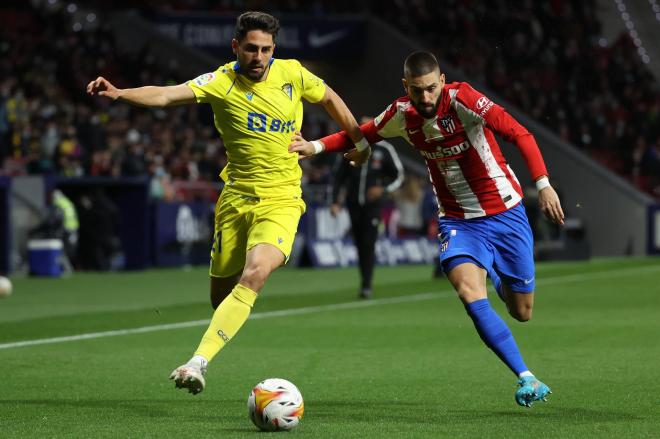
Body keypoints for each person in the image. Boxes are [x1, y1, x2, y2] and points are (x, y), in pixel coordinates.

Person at [87, 11, 370, 395]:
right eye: (251, 48)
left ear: (274, 49)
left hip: (282, 198)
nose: (259, 57)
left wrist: (358, 142)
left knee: (256, 272)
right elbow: (168, 94)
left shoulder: (293, 73)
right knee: (220, 296)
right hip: (235, 200)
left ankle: (196, 362)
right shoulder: (221, 81)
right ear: (236, 46)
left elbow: (331, 98)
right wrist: (121, 93)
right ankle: (218, 334)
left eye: (266, 49)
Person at [289, 51, 564, 408]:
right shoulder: (402, 114)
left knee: (521, 311)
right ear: (407, 87)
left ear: (442, 81)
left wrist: (542, 184)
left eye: (432, 88)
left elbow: (519, 133)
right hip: (457, 220)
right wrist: (314, 146)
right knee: (468, 292)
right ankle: (526, 376)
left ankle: (497, 272)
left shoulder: (464, 100)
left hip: (505, 213)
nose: (426, 97)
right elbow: (364, 133)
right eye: (418, 91)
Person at [330, 117, 404, 299]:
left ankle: (366, 284)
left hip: (374, 207)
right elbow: (338, 178)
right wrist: (335, 201)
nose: (363, 129)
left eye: (366, 125)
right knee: (358, 243)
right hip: (353, 205)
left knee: (368, 242)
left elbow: (399, 176)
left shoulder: (384, 149)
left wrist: (382, 189)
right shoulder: (350, 149)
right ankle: (364, 280)